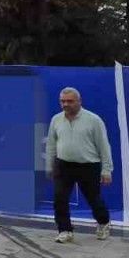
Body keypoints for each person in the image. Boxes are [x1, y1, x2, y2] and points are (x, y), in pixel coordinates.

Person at [45, 87, 112, 243]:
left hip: (88, 166)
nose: (65, 104)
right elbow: (51, 144)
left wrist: (106, 170)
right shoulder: (56, 119)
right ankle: (65, 230)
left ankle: (103, 223)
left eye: (69, 101)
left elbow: (104, 146)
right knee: (60, 199)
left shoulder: (94, 120)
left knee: (94, 199)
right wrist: (49, 165)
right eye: (62, 101)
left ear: (79, 101)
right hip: (63, 165)